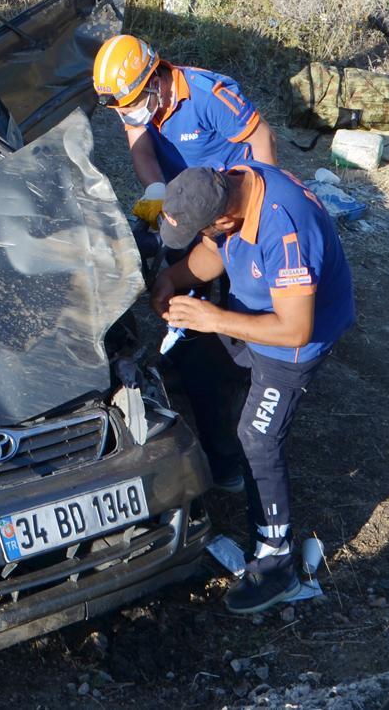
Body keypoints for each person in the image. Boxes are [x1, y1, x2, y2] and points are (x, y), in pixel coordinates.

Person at [153, 163, 356, 615]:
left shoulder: (287, 232)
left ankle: (275, 564)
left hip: (291, 343)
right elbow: (214, 251)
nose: (204, 237)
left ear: (225, 216)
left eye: (204, 229)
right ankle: (225, 470)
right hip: (256, 312)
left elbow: (295, 329)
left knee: (258, 437)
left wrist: (213, 319)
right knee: (197, 362)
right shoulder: (231, 183)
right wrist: (172, 279)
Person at [92, 34, 276, 221]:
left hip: (231, 195)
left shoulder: (207, 97)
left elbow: (262, 137)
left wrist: (265, 203)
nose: (126, 114)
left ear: (154, 84)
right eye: (120, 109)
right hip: (186, 195)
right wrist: (157, 193)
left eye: (130, 106)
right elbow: (141, 150)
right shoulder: (135, 101)